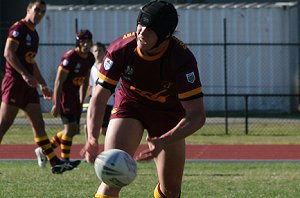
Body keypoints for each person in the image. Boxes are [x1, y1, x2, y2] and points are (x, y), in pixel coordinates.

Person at [81, 1, 206, 197]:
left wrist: (164, 140)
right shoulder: (121, 49)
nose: (141, 32)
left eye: (149, 29)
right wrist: (92, 138)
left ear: (165, 35)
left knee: (171, 190)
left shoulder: (182, 59)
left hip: (168, 115)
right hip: (131, 107)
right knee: (111, 174)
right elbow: (98, 98)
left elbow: (197, 115)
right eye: (140, 24)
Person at [0, 0, 80, 174]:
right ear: (28, 9)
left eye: (42, 12)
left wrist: (43, 83)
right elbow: (8, 53)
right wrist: (24, 74)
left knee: (39, 124)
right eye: (36, 10)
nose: (39, 14)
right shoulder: (19, 28)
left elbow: (31, 62)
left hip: (28, 86)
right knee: (3, 125)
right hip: (14, 83)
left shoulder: (34, 34)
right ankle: (55, 161)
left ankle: (55, 163)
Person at [35, 29, 95, 166]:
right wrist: (56, 103)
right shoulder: (70, 57)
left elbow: (85, 79)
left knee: (72, 130)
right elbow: (58, 81)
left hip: (74, 97)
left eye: (88, 41)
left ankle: (44, 151)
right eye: (83, 41)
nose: (86, 44)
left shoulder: (90, 58)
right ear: (78, 42)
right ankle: (65, 160)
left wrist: (81, 99)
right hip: (65, 96)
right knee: (70, 129)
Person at [83, 42, 115, 140]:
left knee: (104, 131)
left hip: (107, 102)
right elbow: (90, 86)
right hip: (94, 102)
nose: (97, 53)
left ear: (104, 52)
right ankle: (89, 147)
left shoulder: (108, 66)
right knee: (87, 126)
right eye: (95, 51)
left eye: (99, 51)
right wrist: (82, 99)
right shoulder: (92, 68)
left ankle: (112, 147)